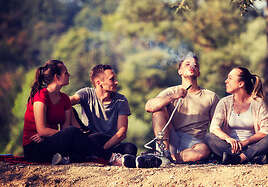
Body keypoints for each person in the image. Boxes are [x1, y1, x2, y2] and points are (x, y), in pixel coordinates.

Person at [22, 60, 160, 168]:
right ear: (57, 77)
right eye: (66, 73)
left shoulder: (64, 99)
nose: (69, 75)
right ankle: (113, 158)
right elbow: (42, 130)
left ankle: (78, 157)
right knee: (75, 132)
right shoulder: (41, 96)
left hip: (62, 143)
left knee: (127, 147)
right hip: (35, 147)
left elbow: (64, 132)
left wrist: (55, 135)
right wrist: (50, 135)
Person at [145, 53, 220, 163]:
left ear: (198, 73)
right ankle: (163, 153)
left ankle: (168, 159)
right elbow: (149, 106)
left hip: (195, 144)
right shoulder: (172, 92)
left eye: (195, 65)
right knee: (158, 111)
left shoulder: (211, 96)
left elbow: (215, 127)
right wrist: (173, 97)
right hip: (171, 139)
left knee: (204, 150)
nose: (191, 66)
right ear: (180, 71)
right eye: (187, 64)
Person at [204, 66, 268, 165]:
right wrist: (228, 138)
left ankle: (238, 158)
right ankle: (246, 158)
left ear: (241, 83)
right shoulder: (224, 102)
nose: (226, 81)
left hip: (253, 147)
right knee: (208, 137)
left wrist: (246, 141)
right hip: (230, 148)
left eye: (230, 78)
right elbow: (214, 127)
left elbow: (266, 129)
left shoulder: (257, 102)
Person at [70, 64, 137, 156]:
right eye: (112, 79)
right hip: (89, 138)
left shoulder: (121, 100)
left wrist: (102, 149)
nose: (116, 82)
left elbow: (122, 133)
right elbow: (67, 102)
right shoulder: (86, 93)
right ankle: (98, 155)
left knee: (130, 148)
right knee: (70, 109)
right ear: (98, 83)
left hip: (109, 142)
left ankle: (94, 154)